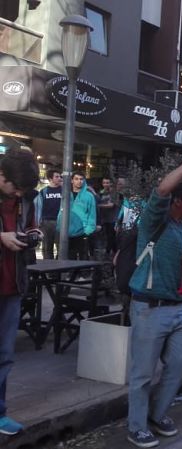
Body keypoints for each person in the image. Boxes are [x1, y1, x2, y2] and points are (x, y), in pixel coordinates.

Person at [126, 144, 182, 448]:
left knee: (179, 365)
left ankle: (156, 414)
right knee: (143, 374)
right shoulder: (153, 222)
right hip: (149, 308)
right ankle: (136, 426)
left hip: (178, 309)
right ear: (178, 201)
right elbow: (161, 189)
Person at [0, 147, 38, 436]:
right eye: (17, 188)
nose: (19, 194)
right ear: (2, 177)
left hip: (12, 286)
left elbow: (33, 227)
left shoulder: (25, 199)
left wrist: (34, 235)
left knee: (5, 355)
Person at [56, 172, 96, 260]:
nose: (79, 181)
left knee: (83, 259)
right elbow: (61, 211)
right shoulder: (66, 195)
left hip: (82, 232)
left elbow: (92, 215)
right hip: (65, 232)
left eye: (81, 179)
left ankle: (81, 274)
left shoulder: (89, 196)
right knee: (67, 257)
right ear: (72, 180)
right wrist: (59, 227)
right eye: (76, 179)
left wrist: (88, 231)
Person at [33, 169, 62, 259]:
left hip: (60, 221)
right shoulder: (43, 192)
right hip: (46, 222)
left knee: (61, 247)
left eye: (60, 176)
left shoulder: (64, 191)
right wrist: (37, 223)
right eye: (56, 177)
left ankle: (59, 268)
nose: (59, 178)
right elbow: (38, 208)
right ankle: (49, 270)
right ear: (50, 178)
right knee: (47, 247)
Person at [97, 177, 121, 257]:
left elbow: (111, 205)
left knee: (111, 236)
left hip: (113, 218)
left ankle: (108, 253)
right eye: (104, 183)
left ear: (111, 183)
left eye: (107, 183)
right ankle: (113, 255)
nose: (106, 185)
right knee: (108, 236)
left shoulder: (115, 193)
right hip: (105, 219)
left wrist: (98, 206)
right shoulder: (101, 192)